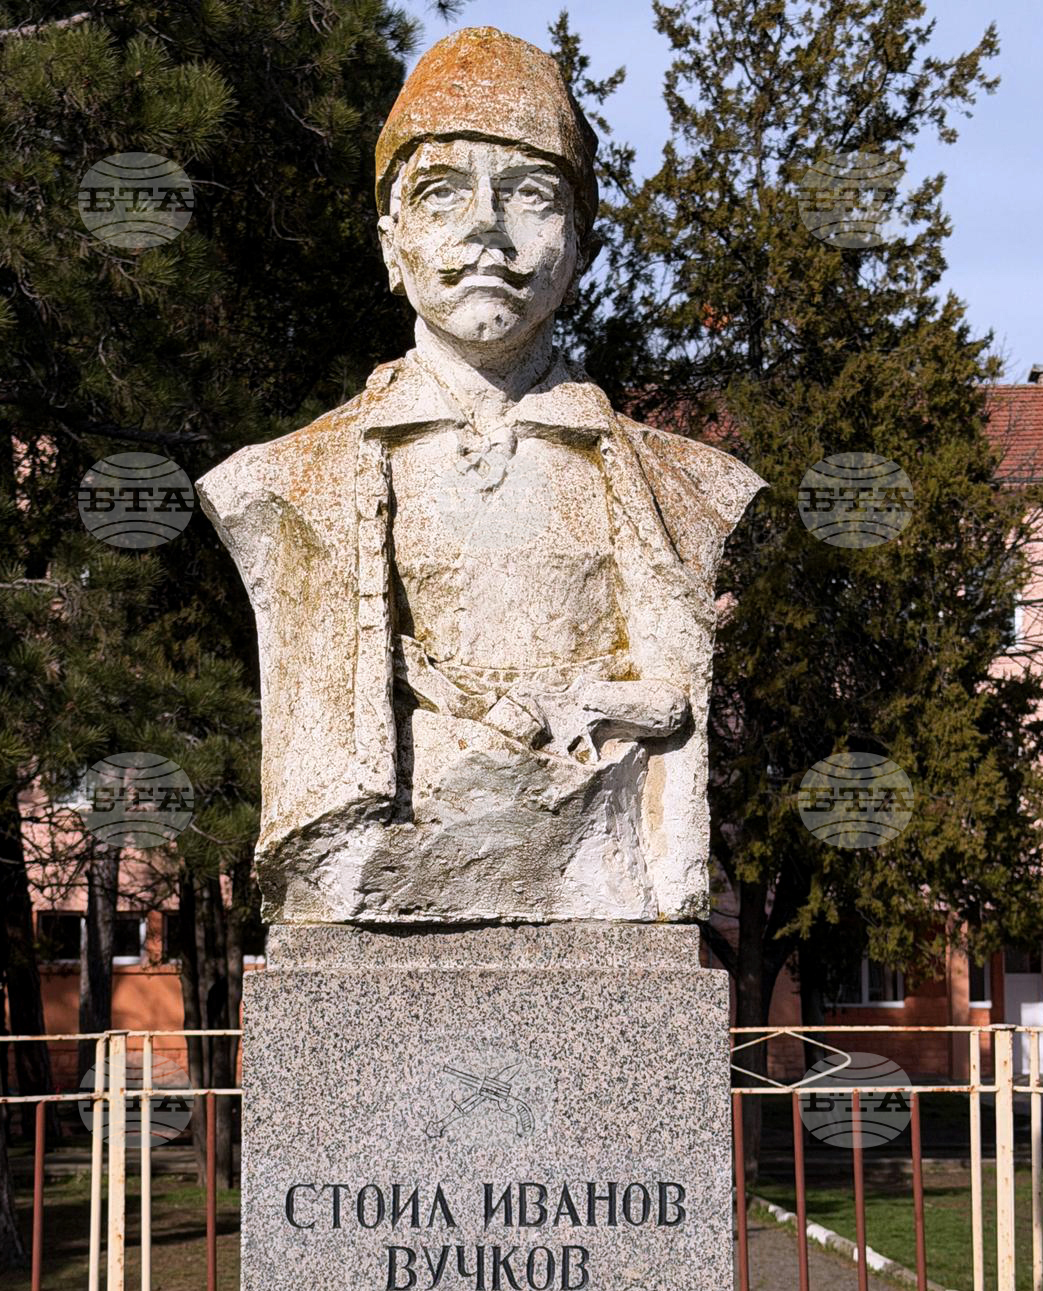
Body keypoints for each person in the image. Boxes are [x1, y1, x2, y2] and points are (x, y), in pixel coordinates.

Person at [198, 27, 764, 924]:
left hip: (606, 880)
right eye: (442, 193)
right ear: (391, 244)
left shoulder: (685, 489)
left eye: (531, 194)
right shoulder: (282, 485)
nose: (486, 230)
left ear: (578, 247)